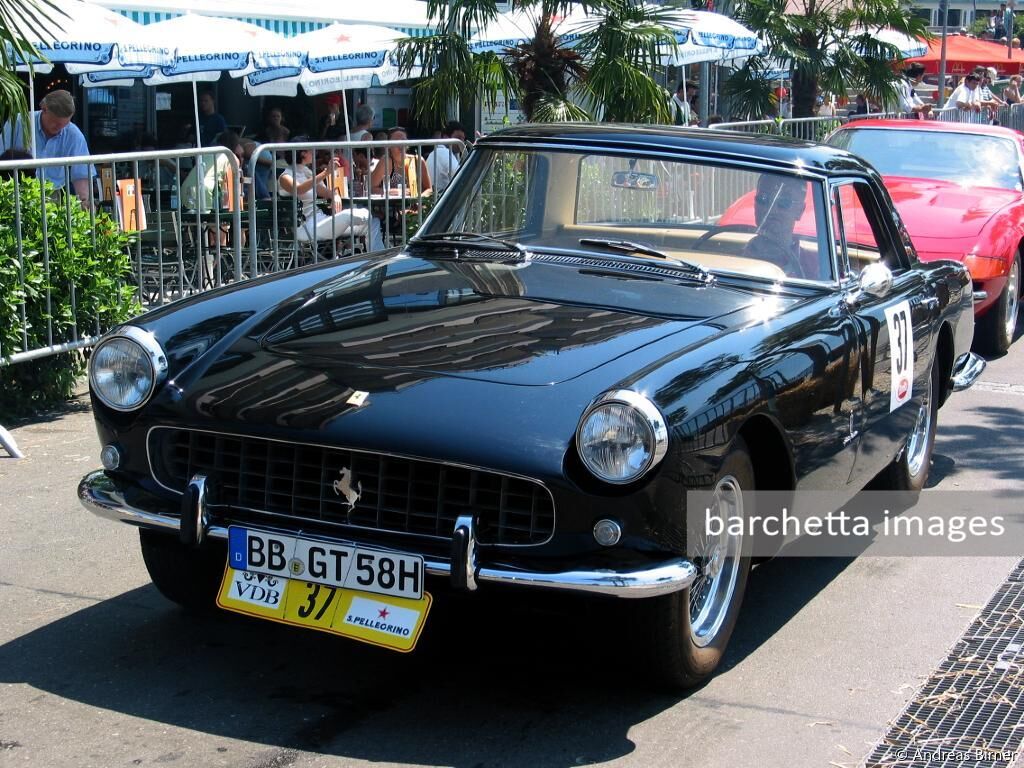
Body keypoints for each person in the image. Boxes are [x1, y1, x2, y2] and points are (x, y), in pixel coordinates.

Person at [278, 135, 384, 251]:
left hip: (320, 219)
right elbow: (299, 189)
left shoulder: (306, 172)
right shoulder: (285, 176)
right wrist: (325, 173)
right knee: (351, 215)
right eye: (311, 150)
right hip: (306, 227)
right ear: (303, 153)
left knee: (373, 222)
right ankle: (367, 215)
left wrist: (335, 196)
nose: (315, 153)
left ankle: (378, 259)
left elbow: (325, 192)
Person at [0, 89, 95, 205]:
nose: (59, 128)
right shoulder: (20, 122)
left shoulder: (73, 134)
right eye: (56, 123)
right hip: (17, 191)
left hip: (52, 195)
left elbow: (81, 174)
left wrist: (84, 201)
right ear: (44, 109)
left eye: (64, 124)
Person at [742, 174, 819, 280]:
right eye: (763, 198)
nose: (771, 209)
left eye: (784, 202)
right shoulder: (728, 259)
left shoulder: (815, 267)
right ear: (755, 202)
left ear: (800, 210)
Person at [180, 130, 242, 212]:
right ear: (236, 145)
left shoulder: (208, 153)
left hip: (185, 188)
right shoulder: (231, 157)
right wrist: (240, 156)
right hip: (205, 190)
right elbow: (234, 182)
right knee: (209, 222)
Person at [370, 126, 431, 196]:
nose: (401, 145)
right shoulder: (386, 161)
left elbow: (429, 189)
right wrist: (390, 192)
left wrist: (418, 199)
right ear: (389, 145)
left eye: (403, 140)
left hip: (415, 204)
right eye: (397, 141)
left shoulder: (418, 161)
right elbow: (371, 188)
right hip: (391, 205)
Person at [425, 120, 466, 194]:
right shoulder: (444, 152)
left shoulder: (436, 153)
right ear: (445, 137)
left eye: (463, 139)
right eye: (458, 138)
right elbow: (461, 177)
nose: (462, 142)